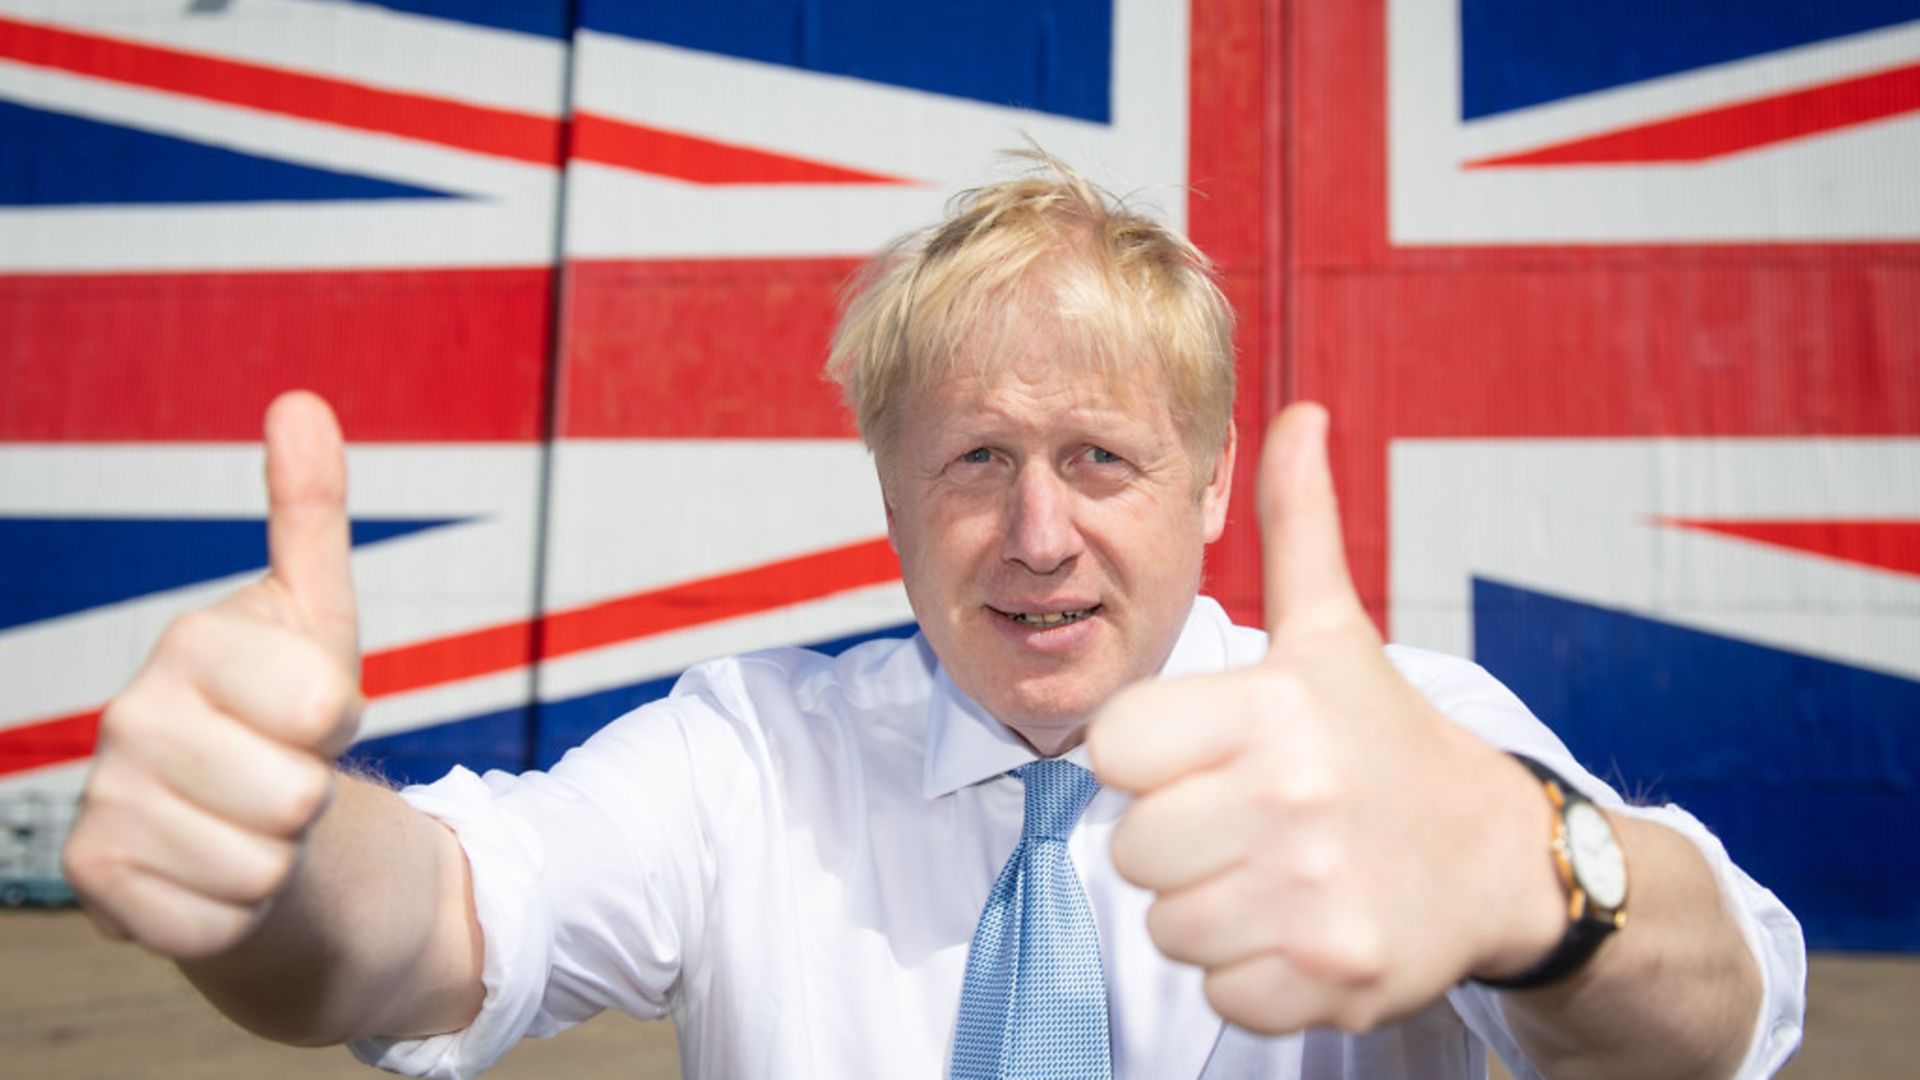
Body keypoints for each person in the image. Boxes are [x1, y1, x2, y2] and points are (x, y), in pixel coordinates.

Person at [62, 158, 1803, 1079]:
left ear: (1208, 488)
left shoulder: (1404, 744)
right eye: (976, 457)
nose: (1037, 533)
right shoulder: (748, 754)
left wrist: (1544, 880)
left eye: (1103, 458)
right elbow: (432, 928)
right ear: (891, 491)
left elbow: (1727, 1020)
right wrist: (279, 853)